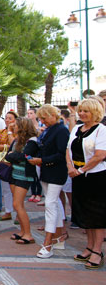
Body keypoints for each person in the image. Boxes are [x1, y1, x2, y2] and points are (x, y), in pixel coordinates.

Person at [66, 98, 106, 269]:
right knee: (84, 213)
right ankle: (89, 246)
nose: (82, 113)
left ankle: (98, 250)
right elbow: (68, 150)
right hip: (78, 176)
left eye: (86, 111)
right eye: (80, 110)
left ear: (95, 113)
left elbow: (100, 155)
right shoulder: (76, 128)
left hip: (96, 177)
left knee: (97, 215)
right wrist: (70, 167)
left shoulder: (101, 130)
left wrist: (81, 171)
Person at [27, 104, 69, 259]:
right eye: (41, 118)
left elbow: (61, 154)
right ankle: (59, 236)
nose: (43, 121)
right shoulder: (49, 129)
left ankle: (48, 242)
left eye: (44, 118)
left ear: (53, 115)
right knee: (54, 203)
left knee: (50, 204)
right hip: (46, 170)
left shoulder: (62, 130)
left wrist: (42, 160)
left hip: (56, 171)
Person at [5, 117, 39, 245]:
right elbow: (10, 155)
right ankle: (22, 231)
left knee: (17, 205)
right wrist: (15, 156)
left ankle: (28, 234)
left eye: (16, 124)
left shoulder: (32, 141)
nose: (14, 126)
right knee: (18, 205)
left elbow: (23, 156)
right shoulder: (17, 140)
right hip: (14, 174)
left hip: (24, 176)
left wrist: (15, 156)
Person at [0, 110, 17, 221]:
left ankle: (18, 214)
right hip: (4, 162)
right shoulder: (1, 131)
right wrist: (6, 147)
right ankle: (8, 211)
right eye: (6, 118)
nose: (7, 120)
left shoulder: (18, 132)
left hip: (15, 163)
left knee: (16, 190)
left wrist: (10, 133)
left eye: (10, 118)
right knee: (6, 189)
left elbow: (14, 145)